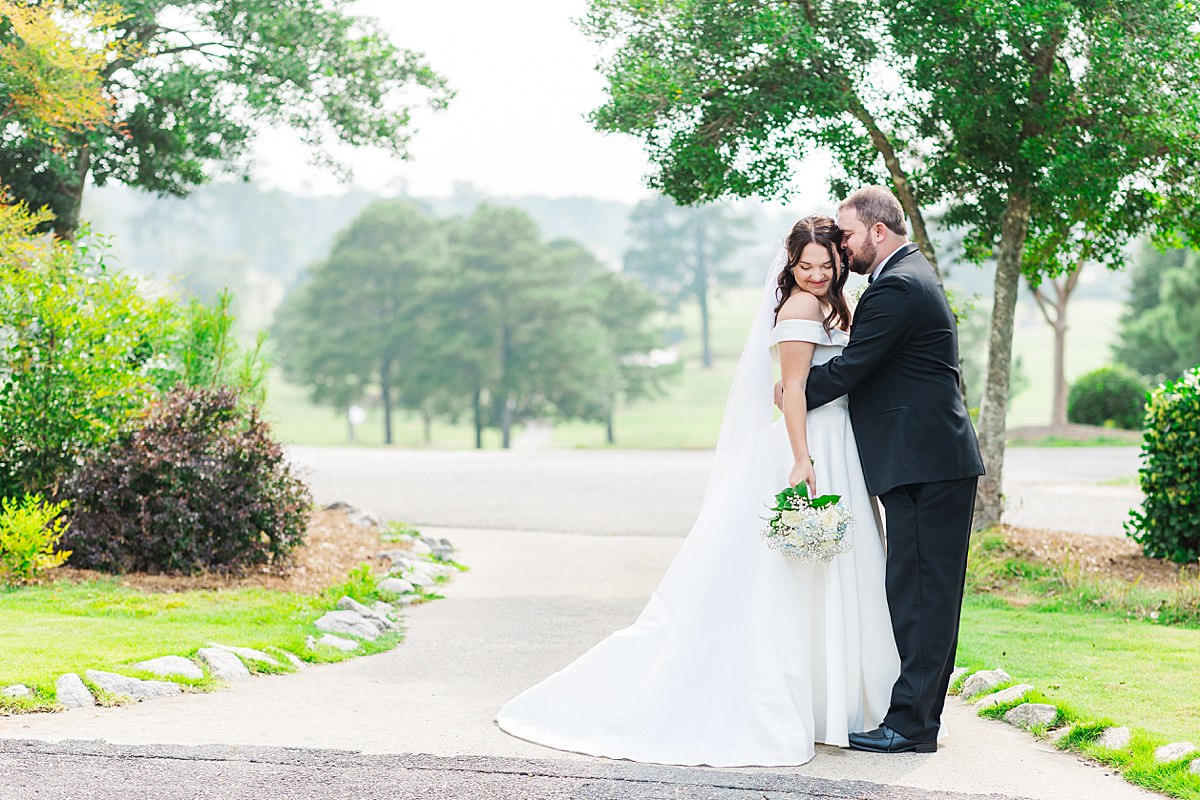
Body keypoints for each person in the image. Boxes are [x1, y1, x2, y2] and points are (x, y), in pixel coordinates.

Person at [494, 214, 899, 767]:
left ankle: (830, 700)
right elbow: (796, 391)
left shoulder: (832, 306)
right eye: (804, 266)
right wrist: (803, 459)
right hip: (812, 444)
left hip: (836, 439)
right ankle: (808, 699)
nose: (814, 275)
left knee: (830, 571)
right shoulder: (801, 308)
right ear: (791, 265)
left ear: (839, 261)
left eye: (825, 265)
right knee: (798, 575)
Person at [803, 186, 985, 754]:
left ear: (877, 231)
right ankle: (915, 719)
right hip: (925, 461)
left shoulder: (897, 288)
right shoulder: (908, 276)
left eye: (848, 235)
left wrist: (790, 394)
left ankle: (910, 726)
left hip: (925, 464)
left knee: (922, 597)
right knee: (919, 593)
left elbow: (853, 368)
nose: (842, 246)